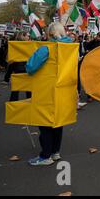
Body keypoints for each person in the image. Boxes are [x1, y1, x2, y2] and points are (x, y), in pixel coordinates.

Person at [26, 23, 74, 166]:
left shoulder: (46, 48)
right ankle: (55, 152)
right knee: (58, 122)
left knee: (45, 123)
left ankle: (45, 156)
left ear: (50, 34)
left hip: (47, 90)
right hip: (64, 90)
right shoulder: (71, 47)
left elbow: (30, 67)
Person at [4, 31, 31, 101]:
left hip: (17, 68)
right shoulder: (23, 45)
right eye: (27, 36)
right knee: (28, 87)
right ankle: (30, 102)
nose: (29, 37)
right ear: (23, 36)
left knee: (16, 88)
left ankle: (13, 103)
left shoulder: (14, 45)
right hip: (23, 68)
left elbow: (8, 58)